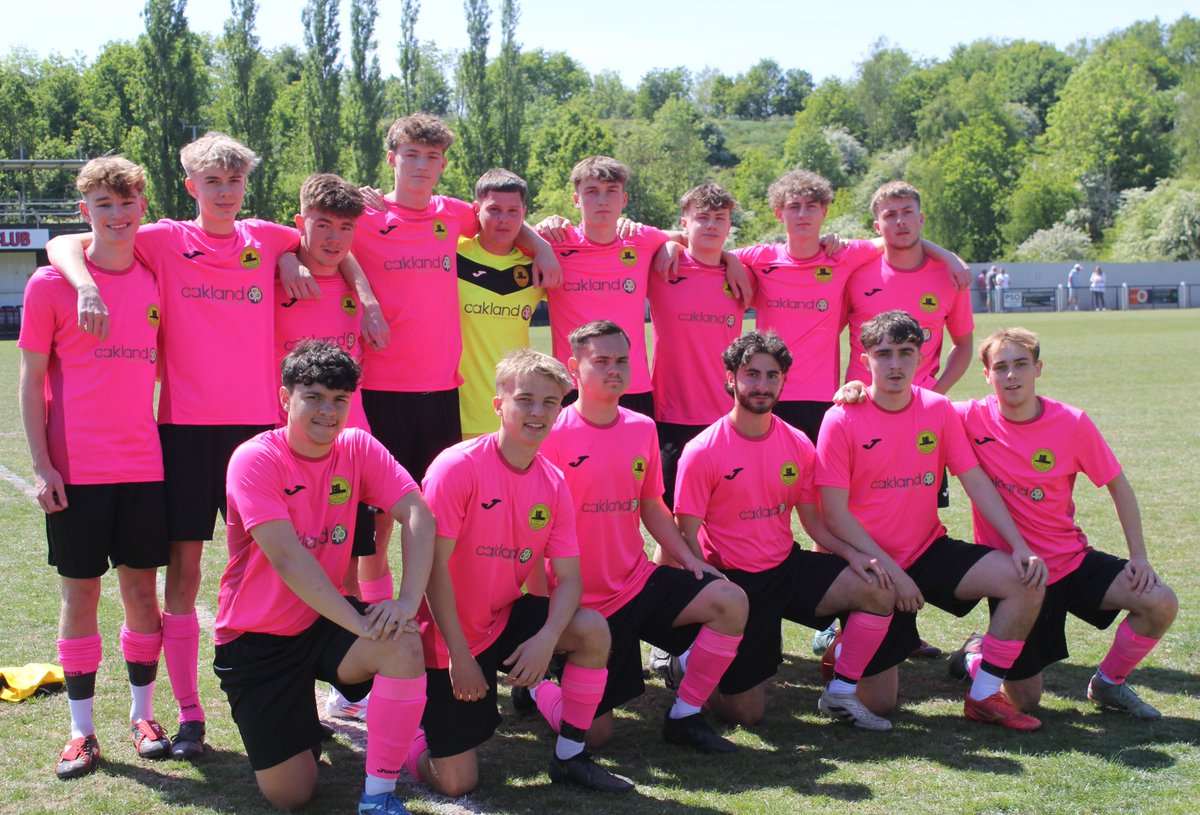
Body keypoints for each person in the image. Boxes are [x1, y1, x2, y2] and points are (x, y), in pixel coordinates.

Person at [46, 132, 303, 758]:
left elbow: (316, 238)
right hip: (183, 434)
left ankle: (287, 695)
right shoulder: (161, 238)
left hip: (259, 434)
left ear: (246, 187)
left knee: (278, 567)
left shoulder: (267, 239)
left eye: (234, 182)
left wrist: (292, 260)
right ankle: (189, 713)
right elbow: (63, 242)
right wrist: (83, 286)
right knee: (182, 577)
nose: (224, 192)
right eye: (211, 182)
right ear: (190, 187)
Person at [343, 114, 557, 614]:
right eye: (412, 155)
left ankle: (433, 622)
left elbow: (501, 218)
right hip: (377, 390)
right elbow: (316, 244)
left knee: (438, 522)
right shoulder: (364, 212)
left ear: (443, 164)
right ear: (392, 159)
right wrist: (365, 296)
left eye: (432, 157)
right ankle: (372, 629)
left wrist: (542, 244)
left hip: (442, 394)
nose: (422, 165)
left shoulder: (452, 214)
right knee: (374, 526)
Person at [214, 340, 434, 814]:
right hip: (256, 638)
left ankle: (379, 798)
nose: (327, 411)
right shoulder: (255, 459)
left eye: (339, 400)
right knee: (293, 794)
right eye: (313, 396)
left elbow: (417, 510)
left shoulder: (356, 446)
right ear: (284, 398)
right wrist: (364, 625)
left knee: (403, 641)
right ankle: (295, 723)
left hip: (322, 621)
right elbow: (291, 562)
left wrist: (405, 603)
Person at [410, 349, 633, 796]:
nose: (537, 412)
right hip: (446, 636)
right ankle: (407, 733)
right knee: (457, 783)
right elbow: (433, 569)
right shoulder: (457, 467)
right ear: (498, 404)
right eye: (525, 399)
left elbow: (569, 579)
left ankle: (570, 758)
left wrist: (547, 639)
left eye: (549, 402)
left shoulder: (552, 482)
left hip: (502, 618)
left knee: (591, 629)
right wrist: (460, 655)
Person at [817, 310, 1047, 730]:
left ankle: (982, 696)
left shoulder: (938, 410)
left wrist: (1019, 546)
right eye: (883, 353)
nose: (895, 364)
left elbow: (976, 482)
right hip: (872, 567)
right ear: (864, 357)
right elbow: (833, 513)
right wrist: (889, 569)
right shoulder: (841, 417)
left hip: (928, 550)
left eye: (906, 353)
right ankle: (843, 646)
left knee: (1025, 580)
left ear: (921, 357)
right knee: (880, 704)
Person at [20, 156, 171, 779]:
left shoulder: (154, 276)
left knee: (141, 591)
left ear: (142, 207)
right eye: (103, 205)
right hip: (76, 472)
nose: (116, 214)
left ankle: (142, 714)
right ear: (86, 213)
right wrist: (41, 466)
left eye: (126, 202)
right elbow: (29, 384)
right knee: (79, 594)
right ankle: (81, 732)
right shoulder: (49, 285)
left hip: (143, 464)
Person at [539, 320, 748, 753]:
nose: (613, 369)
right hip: (579, 601)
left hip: (635, 582)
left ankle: (685, 716)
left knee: (730, 600)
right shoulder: (551, 433)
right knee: (595, 737)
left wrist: (689, 559)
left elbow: (652, 505)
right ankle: (539, 686)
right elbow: (532, 524)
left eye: (621, 360)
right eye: (601, 361)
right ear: (573, 367)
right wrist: (543, 606)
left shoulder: (641, 427)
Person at [947, 328, 1177, 718]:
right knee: (1026, 701)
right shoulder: (968, 416)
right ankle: (975, 654)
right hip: (1019, 578)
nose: (1012, 376)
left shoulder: (1071, 422)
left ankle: (1109, 683)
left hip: (1071, 561)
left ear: (1038, 368)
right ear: (987, 375)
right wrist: (858, 390)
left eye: (1021, 365)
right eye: (1001, 367)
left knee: (1160, 603)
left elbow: (1119, 488)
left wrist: (1139, 556)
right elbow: (911, 406)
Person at [673, 330, 897, 730]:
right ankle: (690, 658)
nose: (762, 385)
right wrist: (710, 587)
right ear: (730, 378)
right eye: (751, 374)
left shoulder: (796, 443)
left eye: (772, 376)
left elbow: (813, 521)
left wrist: (854, 555)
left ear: (783, 381)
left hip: (785, 568)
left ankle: (840, 693)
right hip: (738, 585)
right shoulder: (703, 450)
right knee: (747, 715)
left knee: (878, 587)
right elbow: (683, 533)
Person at [732, 170, 967, 445]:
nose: (802, 214)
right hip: (769, 391)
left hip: (821, 397)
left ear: (824, 212)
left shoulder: (842, 255)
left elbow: (896, 238)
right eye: (793, 207)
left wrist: (948, 256)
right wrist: (728, 258)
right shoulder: (760, 257)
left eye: (811, 207)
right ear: (778, 214)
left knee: (815, 482)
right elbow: (704, 251)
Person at [646, 183, 746, 506]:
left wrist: (731, 259)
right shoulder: (660, 266)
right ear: (684, 223)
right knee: (674, 513)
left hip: (727, 415)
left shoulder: (745, 274)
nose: (712, 225)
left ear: (730, 225)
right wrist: (670, 242)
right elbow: (628, 238)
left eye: (720, 218)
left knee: (722, 509)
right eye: (702, 217)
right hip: (672, 414)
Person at [456, 169, 545, 439]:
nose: (503, 220)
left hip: (515, 414)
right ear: (476, 209)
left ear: (524, 212)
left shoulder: (535, 267)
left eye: (513, 211)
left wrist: (545, 249)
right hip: (457, 412)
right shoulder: (452, 252)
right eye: (494, 210)